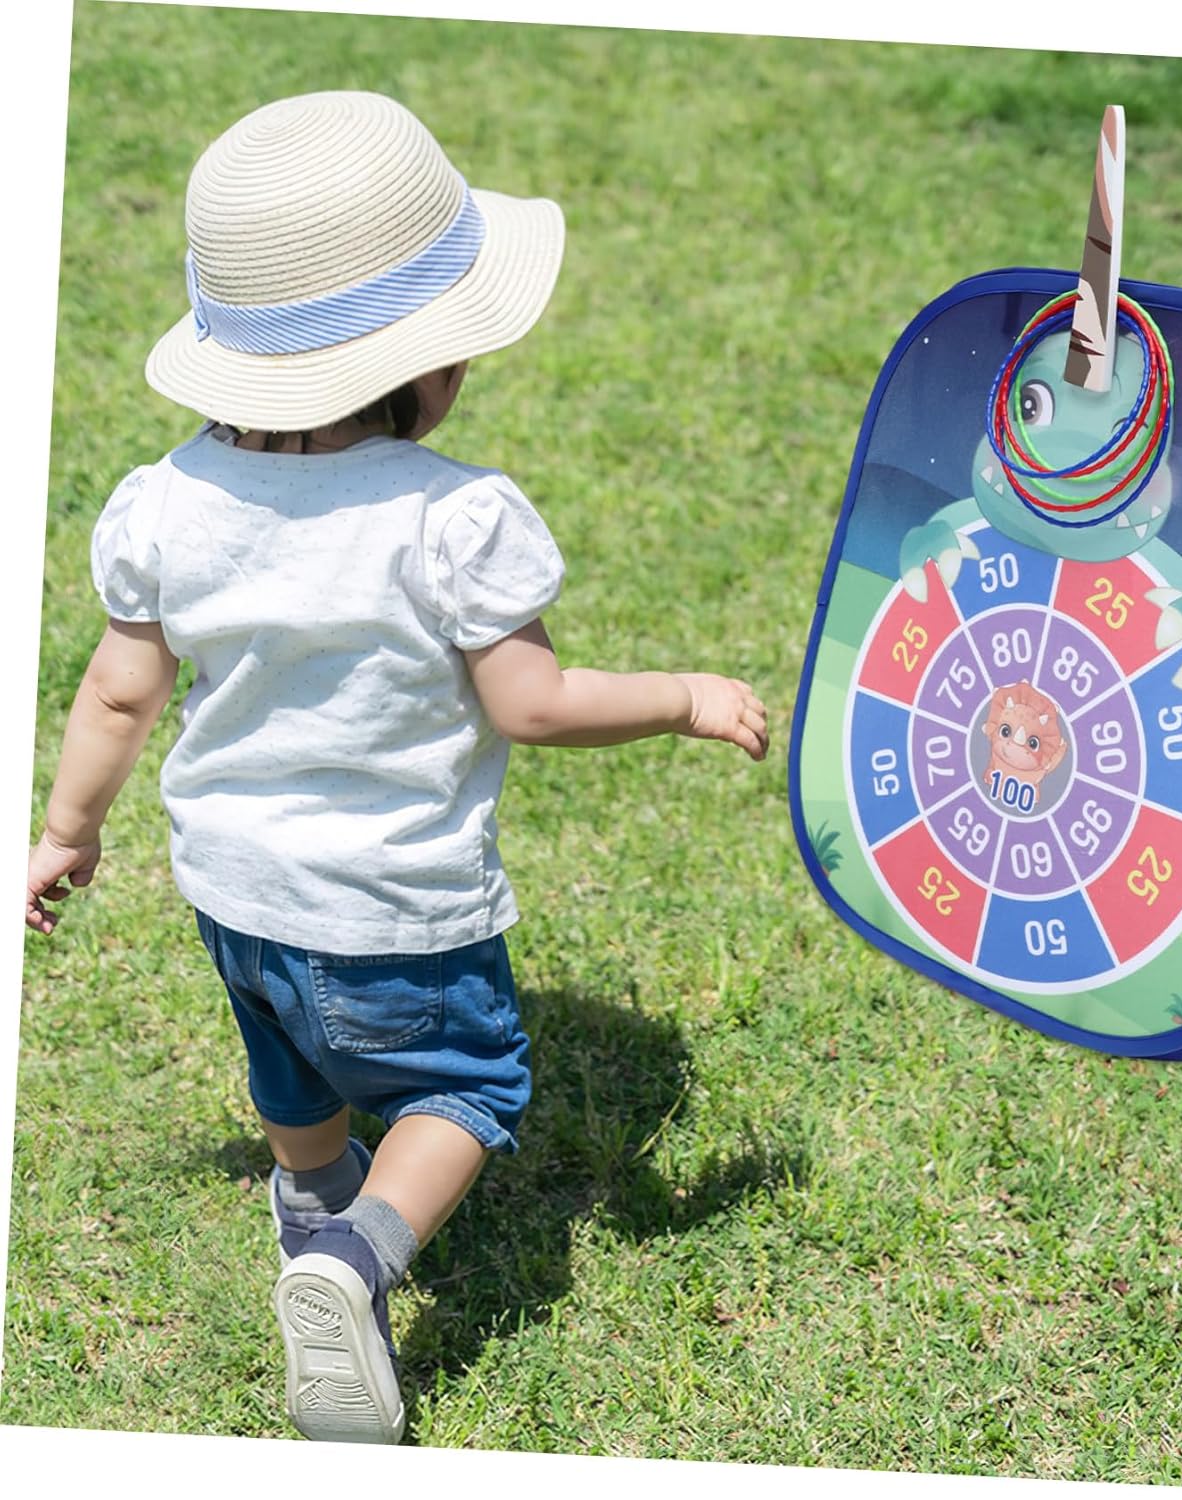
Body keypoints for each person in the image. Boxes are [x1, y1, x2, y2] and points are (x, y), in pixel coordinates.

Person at [24, 90, 768, 1446]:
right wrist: (683, 698)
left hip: (232, 889)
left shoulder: (166, 502)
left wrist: (67, 830)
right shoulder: (453, 518)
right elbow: (533, 705)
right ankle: (353, 1256)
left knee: (290, 1061)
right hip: (395, 904)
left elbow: (120, 690)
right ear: (422, 368)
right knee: (467, 1088)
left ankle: (308, 1195)